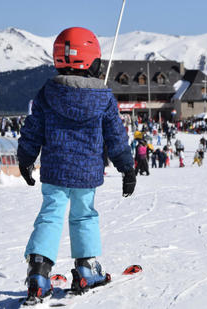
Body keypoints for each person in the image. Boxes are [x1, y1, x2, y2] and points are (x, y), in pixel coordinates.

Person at [17, 27, 136, 304]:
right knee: (84, 216)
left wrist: (25, 158)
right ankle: (86, 269)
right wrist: (127, 168)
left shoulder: (48, 92)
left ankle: (38, 273)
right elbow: (115, 136)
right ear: (91, 60)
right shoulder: (104, 98)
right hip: (87, 172)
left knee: (50, 215)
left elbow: (33, 129)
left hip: (55, 170)